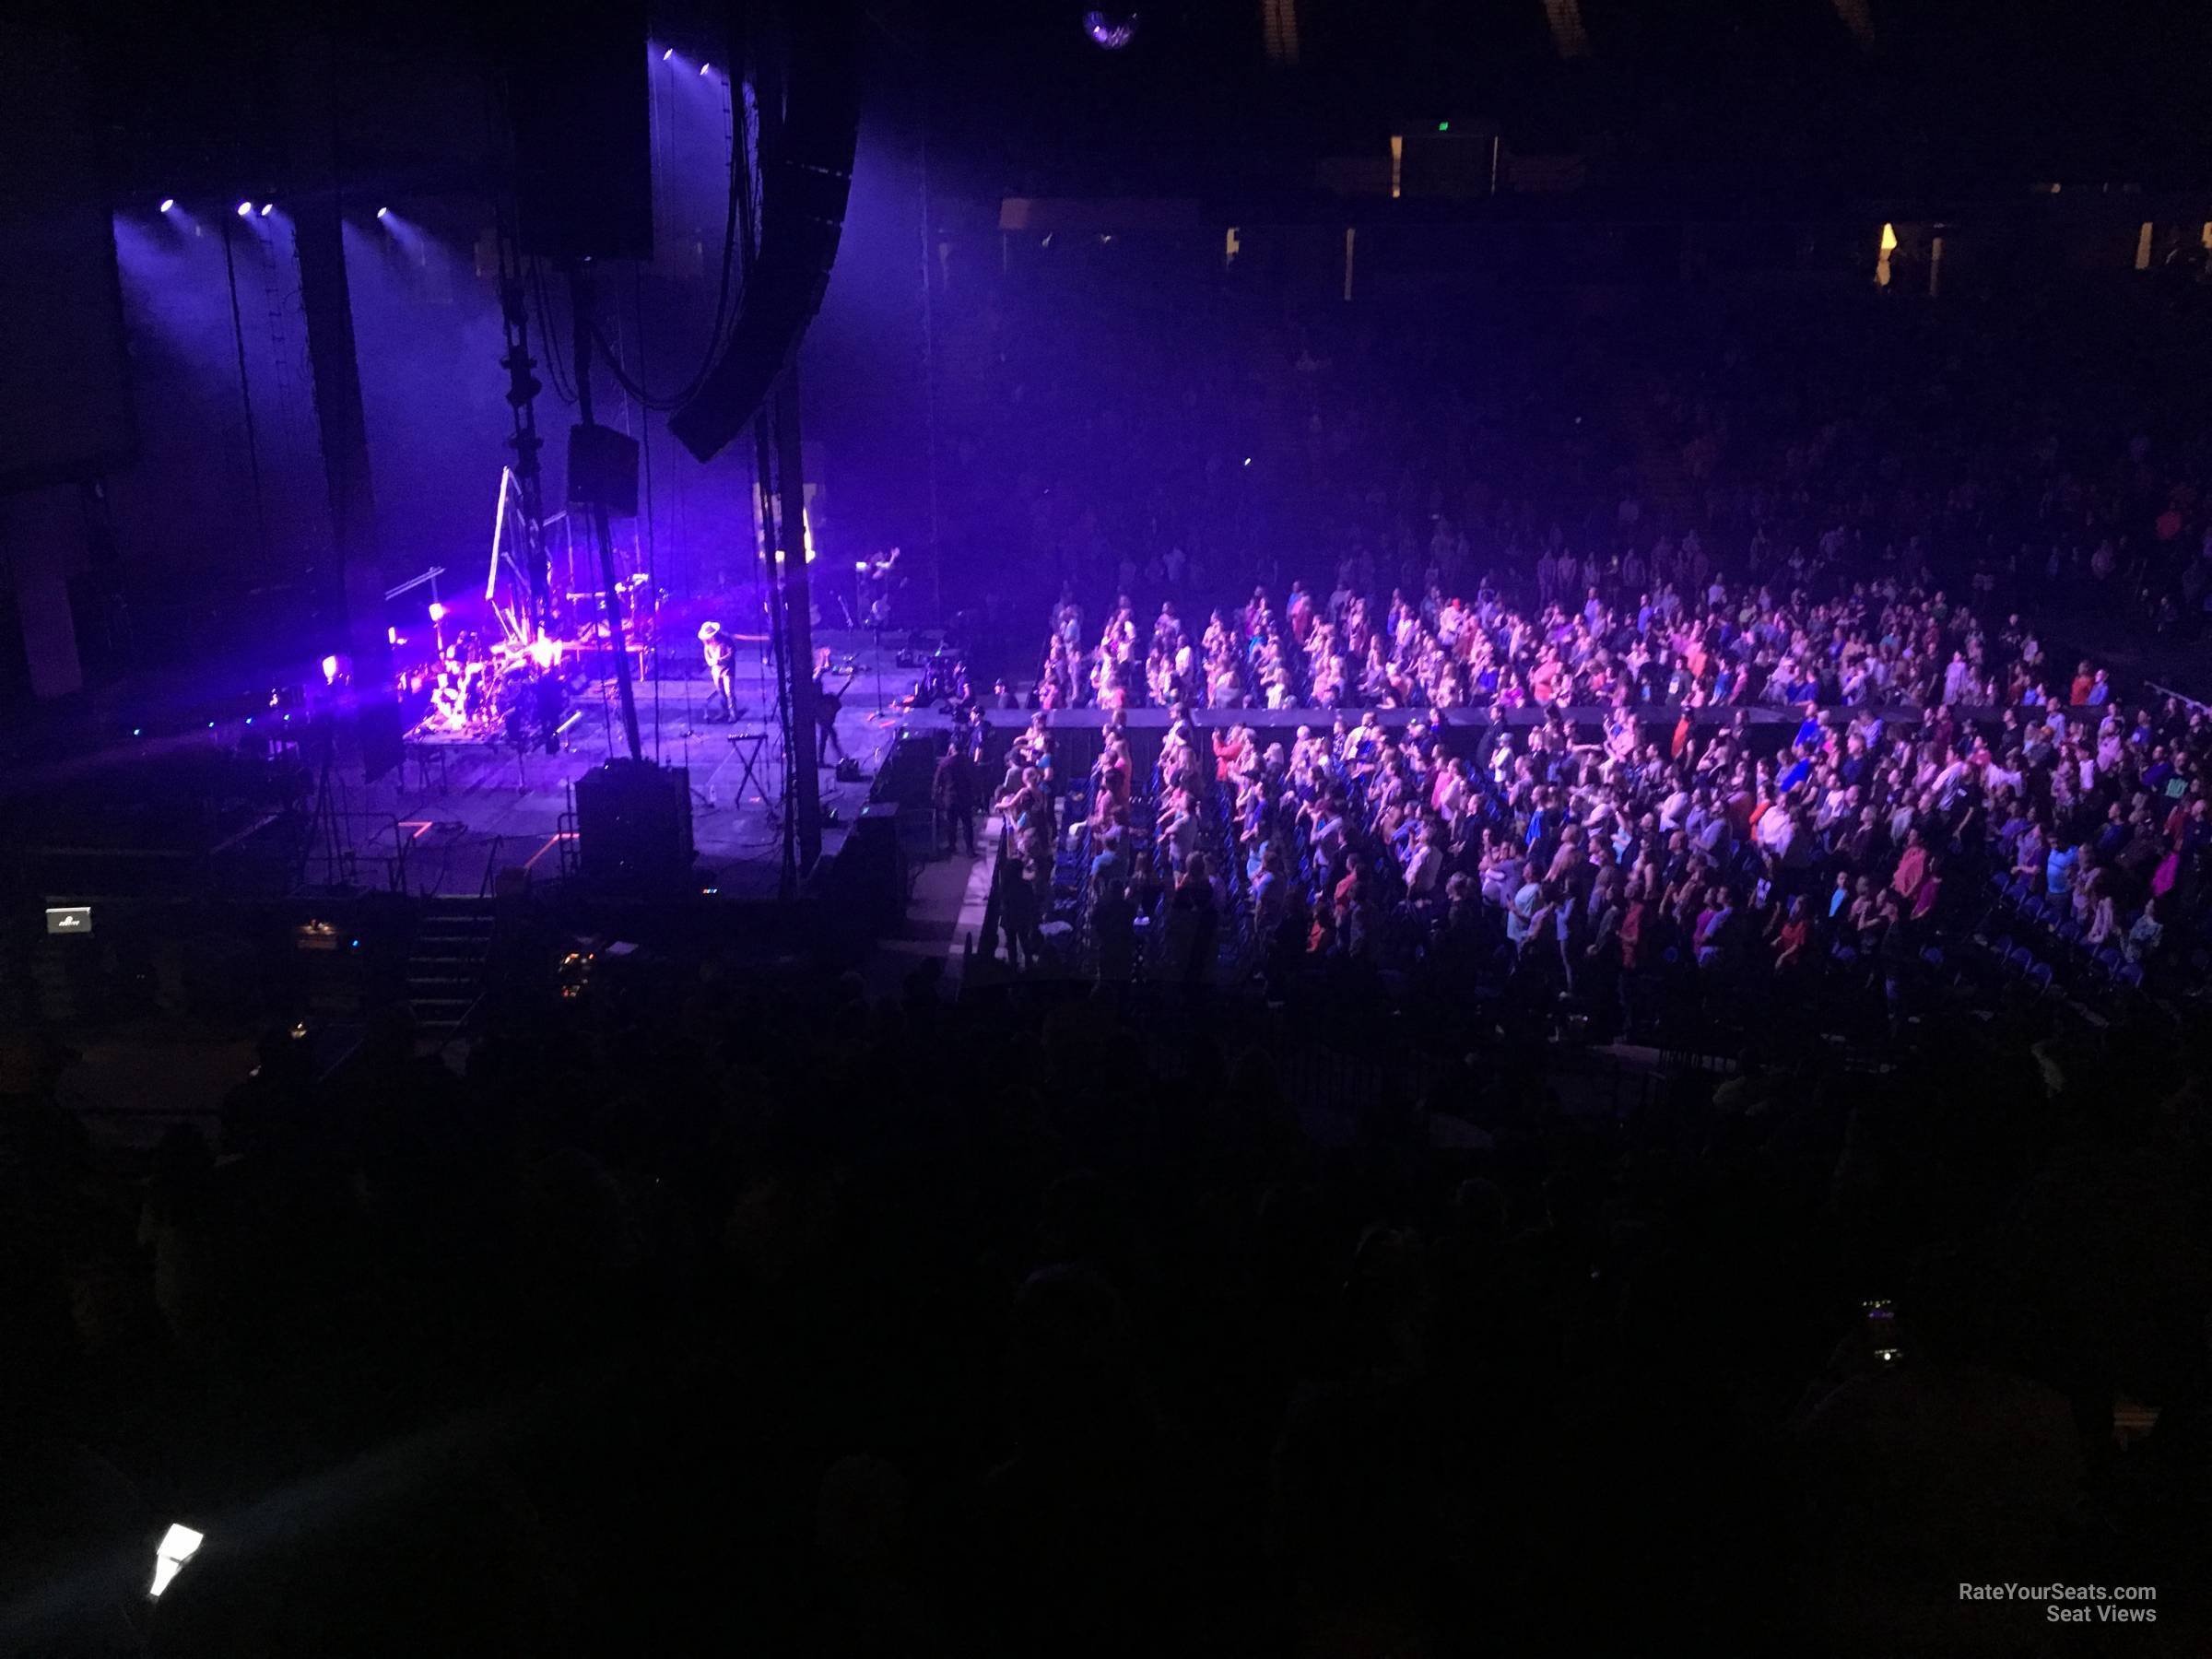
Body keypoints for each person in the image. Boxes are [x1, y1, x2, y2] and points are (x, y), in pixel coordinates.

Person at [933, 738, 978, 855]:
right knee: (967, 823)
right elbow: (974, 779)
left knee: (951, 823)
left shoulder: (944, 763)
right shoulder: (968, 761)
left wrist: (936, 796)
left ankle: (952, 847)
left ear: (952, 748)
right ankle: (969, 849)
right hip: (965, 797)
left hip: (950, 798)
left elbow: (937, 782)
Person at [699, 621, 737, 722]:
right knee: (721, 691)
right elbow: (707, 655)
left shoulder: (726, 641)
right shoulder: (707, 643)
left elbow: (731, 653)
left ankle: (733, 714)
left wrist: (720, 661)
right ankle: (724, 712)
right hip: (716, 670)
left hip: (728, 670)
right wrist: (711, 662)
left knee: (729, 692)